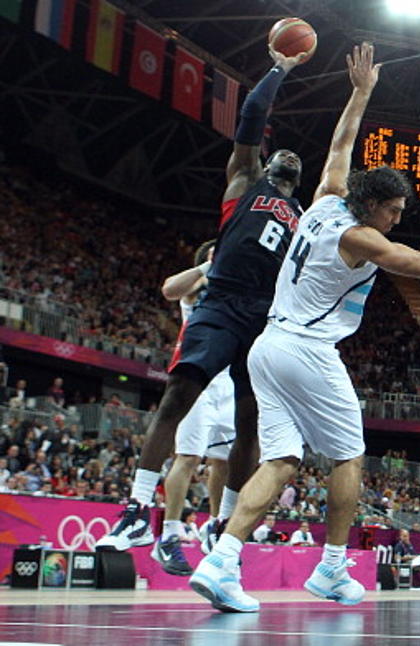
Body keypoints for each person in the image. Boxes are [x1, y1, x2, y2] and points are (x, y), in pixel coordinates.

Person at [190, 43, 420, 613]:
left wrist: (362, 91)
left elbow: (342, 143)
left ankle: (220, 560)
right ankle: (333, 568)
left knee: (283, 461)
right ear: (371, 207)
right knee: (348, 457)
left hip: (268, 347)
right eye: (394, 211)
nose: (398, 219)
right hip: (306, 350)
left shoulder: (323, 200)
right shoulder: (360, 237)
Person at [95, 46, 308, 553]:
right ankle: (136, 510)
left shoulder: (304, 216)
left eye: (298, 160)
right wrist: (280, 68)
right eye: (283, 153)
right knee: (177, 395)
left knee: (248, 422)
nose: (290, 156)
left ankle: (224, 524)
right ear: (269, 161)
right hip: (221, 304)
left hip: (264, 319)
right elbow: (253, 115)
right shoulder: (245, 179)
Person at [148, 240, 237, 575]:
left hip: (228, 381)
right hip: (198, 379)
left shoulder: (236, 285)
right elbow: (170, 288)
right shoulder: (197, 284)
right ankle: (169, 535)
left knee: (224, 461)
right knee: (187, 456)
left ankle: (214, 525)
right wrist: (206, 266)